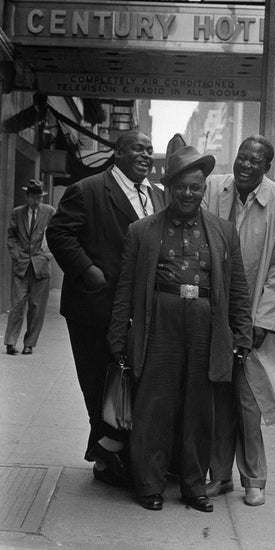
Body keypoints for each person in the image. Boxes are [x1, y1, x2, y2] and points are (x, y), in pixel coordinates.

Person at [107, 146, 253, 512]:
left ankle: (193, 486)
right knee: (154, 406)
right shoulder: (142, 231)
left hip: (206, 324)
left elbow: (237, 287)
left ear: (204, 188)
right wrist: (117, 337)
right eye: (181, 187)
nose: (189, 194)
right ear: (169, 188)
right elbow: (125, 287)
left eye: (196, 187)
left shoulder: (223, 231)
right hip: (160, 321)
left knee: (199, 409)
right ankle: (149, 484)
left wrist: (242, 334)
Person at [46, 130, 165, 487]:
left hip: (137, 309)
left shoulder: (156, 197)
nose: (145, 155)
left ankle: (108, 453)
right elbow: (59, 234)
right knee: (99, 383)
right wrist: (88, 270)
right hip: (94, 308)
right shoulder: (88, 190)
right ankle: (107, 457)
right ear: (118, 152)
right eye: (137, 149)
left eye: (149, 150)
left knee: (128, 382)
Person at [203, 135, 275, 506]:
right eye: (241, 157)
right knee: (217, 398)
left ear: (266, 167)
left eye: (254, 161)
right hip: (215, 313)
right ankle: (219, 476)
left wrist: (263, 321)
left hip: (256, 318)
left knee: (249, 400)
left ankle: (254, 479)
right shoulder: (215, 188)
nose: (245, 165)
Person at [4, 179, 55, 356]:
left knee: (36, 306)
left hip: (41, 267)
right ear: (27, 197)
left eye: (39, 198)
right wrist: (16, 255)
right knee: (17, 304)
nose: (36, 201)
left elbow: (57, 235)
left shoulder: (49, 212)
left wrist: (48, 254)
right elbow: (11, 236)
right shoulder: (17, 213)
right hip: (21, 266)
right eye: (33, 197)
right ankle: (10, 342)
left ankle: (29, 344)